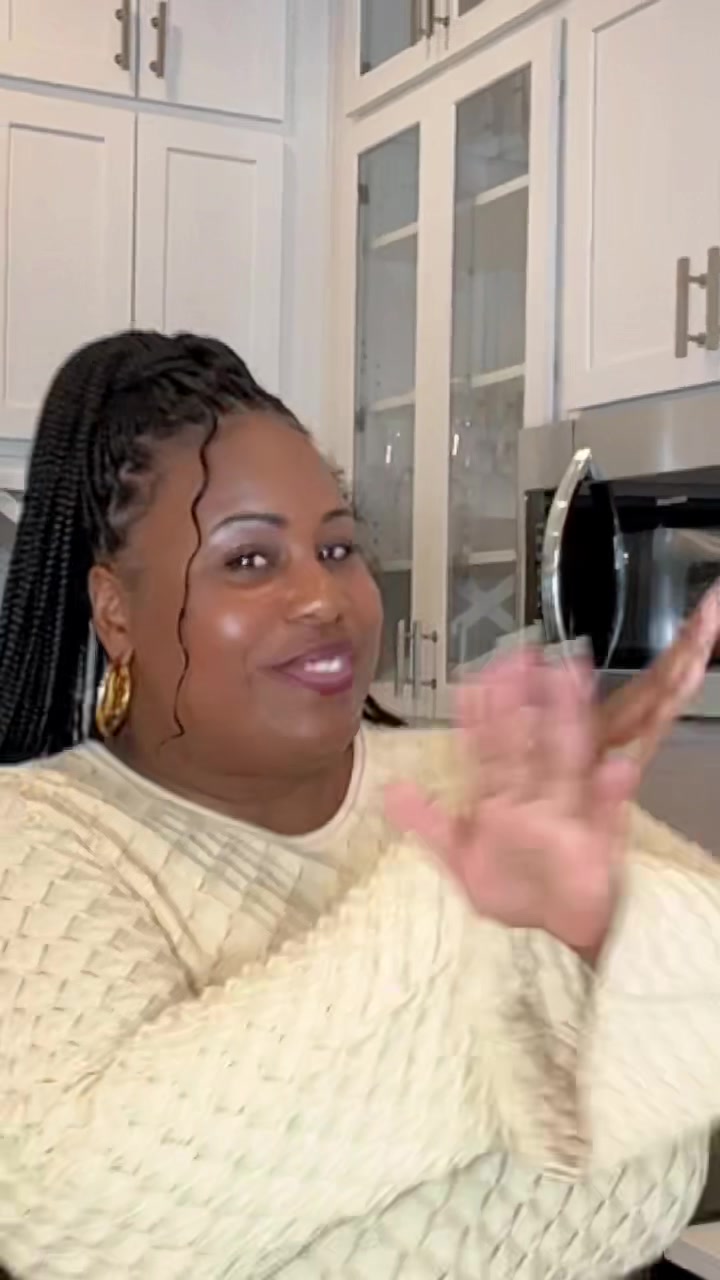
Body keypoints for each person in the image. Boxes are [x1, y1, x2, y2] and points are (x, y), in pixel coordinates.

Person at [0, 330, 718, 1280]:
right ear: (116, 609)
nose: (323, 598)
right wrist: (485, 929)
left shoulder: (479, 772)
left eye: (337, 547)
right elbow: (79, 1219)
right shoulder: (40, 836)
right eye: (249, 561)